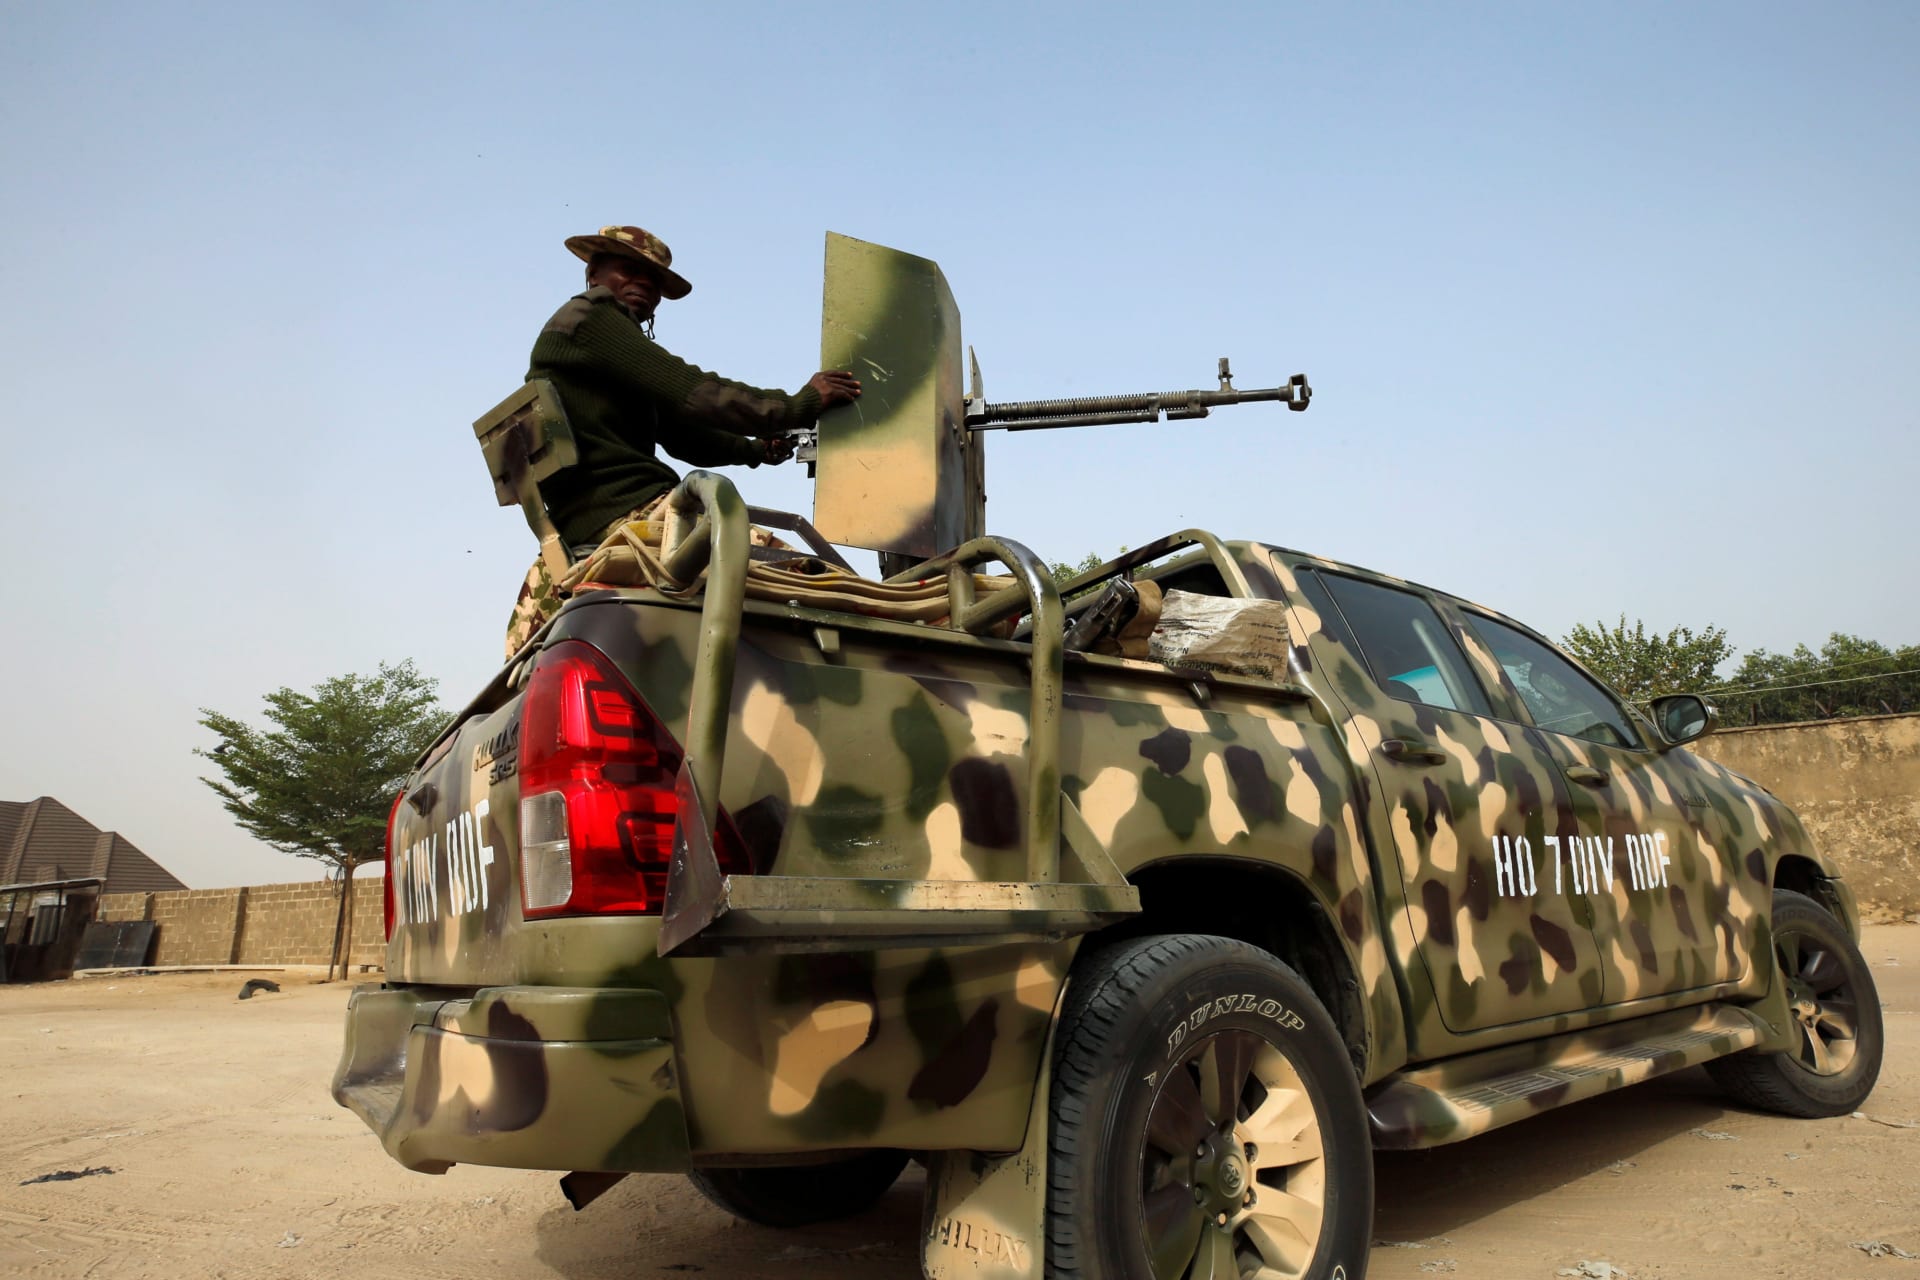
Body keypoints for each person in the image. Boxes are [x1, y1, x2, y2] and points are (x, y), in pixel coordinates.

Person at [504, 224, 861, 655]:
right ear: (594, 273)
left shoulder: (601, 348)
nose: (644, 285)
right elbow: (694, 393)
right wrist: (801, 403)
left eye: (654, 281)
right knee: (828, 585)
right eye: (628, 270)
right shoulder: (590, 318)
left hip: (577, 531)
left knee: (526, 659)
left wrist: (755, 449)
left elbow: (681, 433)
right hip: (635, 514)